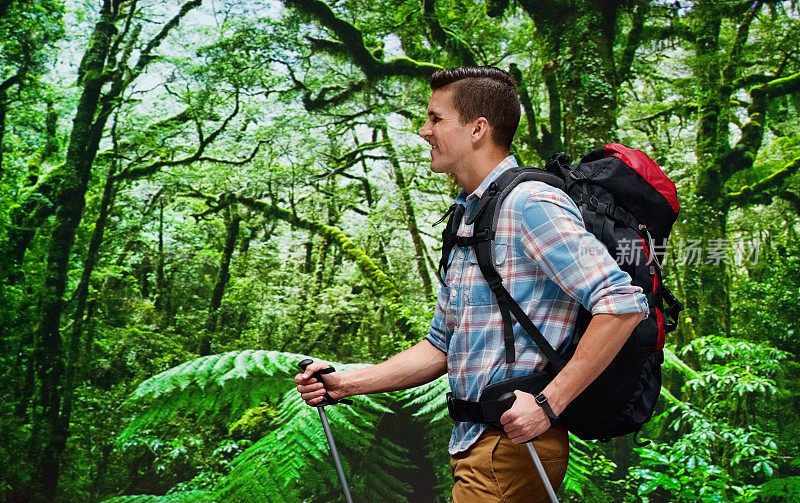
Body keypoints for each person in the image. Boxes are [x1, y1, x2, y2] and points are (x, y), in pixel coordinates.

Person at [295, 66, 649, 502]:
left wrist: (547, 404)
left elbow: (622, 303)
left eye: (436, 119)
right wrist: (346, 384)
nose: (424, 131)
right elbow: (441, 346)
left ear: (478, 128)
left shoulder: (530, 204)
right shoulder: (470, 217)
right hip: (479, 446)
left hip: (512, 447)